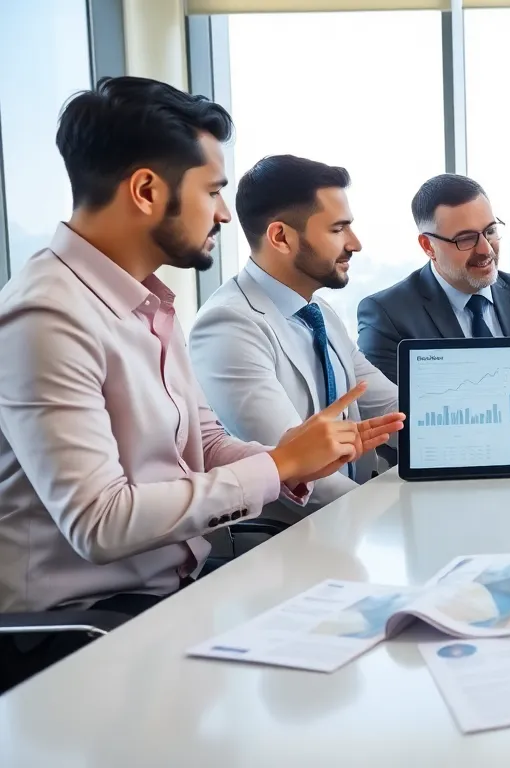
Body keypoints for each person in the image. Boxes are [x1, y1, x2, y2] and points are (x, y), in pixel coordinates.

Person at [0, 77, 399, 687]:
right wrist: (277, 465)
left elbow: (204, 444)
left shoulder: (147, 303)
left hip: (174, 594)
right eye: (212, 191)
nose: (223, 213)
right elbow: (99, 523)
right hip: (83, 634)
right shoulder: (46, 317)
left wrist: (290, 461)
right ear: (146, 191)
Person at [190, 155, 404, 522]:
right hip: (291, 540)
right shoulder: (228, 325)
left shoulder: (318, 312)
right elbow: (299, 471)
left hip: (350, 523)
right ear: (281, 237)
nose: (355, 244)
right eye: (338, 230)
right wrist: (391, 520)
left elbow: (389, 407)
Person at [357, 174, 510, 384]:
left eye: (490, 231)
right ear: (428, 246)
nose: (486, 249)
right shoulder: (387, 315)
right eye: (466, 239)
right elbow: (388, 404)